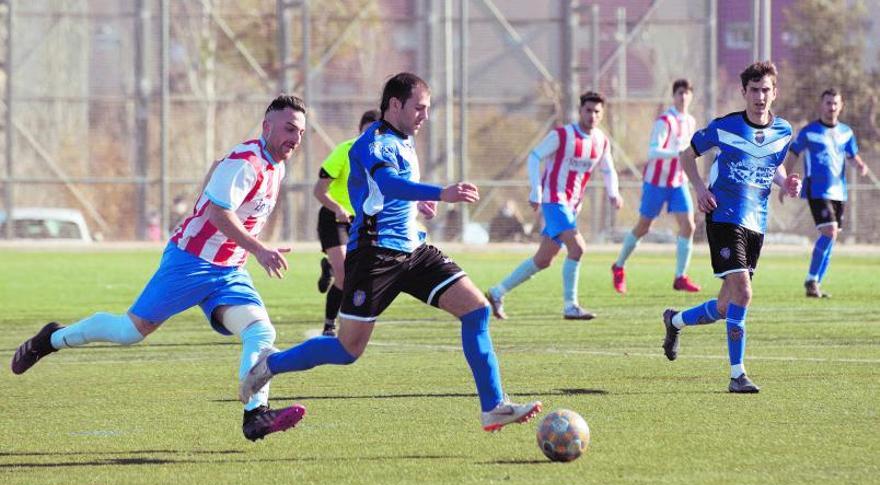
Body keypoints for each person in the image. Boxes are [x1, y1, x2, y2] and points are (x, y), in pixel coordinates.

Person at [239, 73, 542, 432]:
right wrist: (441, 192)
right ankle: (270, 365)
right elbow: (386, 183)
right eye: (419, 108)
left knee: (476, 310)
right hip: (375, 256)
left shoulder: (404, 139)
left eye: (427, 109)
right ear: (395, 104)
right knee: (347, 350)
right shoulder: (373, 143)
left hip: (415, 251)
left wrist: (418, 205)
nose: (424, 116)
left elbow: (382, 196)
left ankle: (493, 407)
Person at [11, 95, 309, 442]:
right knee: (128, 332)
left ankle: (255, 415)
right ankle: (52, 338)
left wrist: (240, 240)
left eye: (301, 132)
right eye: (289, 129)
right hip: (189, 263)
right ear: (267, 126)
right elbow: (217, 212)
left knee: (261, 332)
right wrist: (259, 249)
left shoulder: (277, 166)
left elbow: (216, 177)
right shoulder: (245, 161)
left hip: (228, 271)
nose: (295, 138)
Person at [661, 61, 801, 393]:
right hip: (724, 217)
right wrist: (699, 189)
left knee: (726, 306)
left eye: (766, 90)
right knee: (744, 293)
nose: (760, 97)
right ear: (744, 92)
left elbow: (771, 168)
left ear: (774, 92)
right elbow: (685, 155)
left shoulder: (783, 131)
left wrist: (787, 184)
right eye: (754, 90)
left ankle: (675, 320)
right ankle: (737, 375)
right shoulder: (725, 127)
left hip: (757, 223)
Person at [485, 91, 623, 321]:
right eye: (588, 110)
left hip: (571, 206)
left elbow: (608, 169)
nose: (592, 115)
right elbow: (535, 156)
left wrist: (613, 193)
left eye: (597, 112)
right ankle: (571, 306)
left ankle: (497, 292)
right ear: (580, 111)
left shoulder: (601, 141)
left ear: (602, 114)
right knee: (577, 248)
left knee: (543, 260)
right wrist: (536, 190)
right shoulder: (562, 135)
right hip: (553, 200)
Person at [611, 79, 701, 294]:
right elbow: (653, 152)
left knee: (688, 225)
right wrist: (677, 153)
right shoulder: (665, 121)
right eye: (680, 92)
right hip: (656, 182)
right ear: (674, 96)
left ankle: (680, 277)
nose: (684, 96)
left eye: (687, 92)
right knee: (643, 227)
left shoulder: (690, 121)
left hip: (678, 181)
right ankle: (619, 265)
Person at [779, 88, 869, 298]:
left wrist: (861, 166)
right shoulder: (809, 131)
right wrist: (785, 181)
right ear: (821, 105)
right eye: (828, 103)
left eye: (835, 103)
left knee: (832, 235)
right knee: (830, 231)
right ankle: (811, 279)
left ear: (841, 105)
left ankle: (815, 282)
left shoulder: (846, 132)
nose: (832, 107)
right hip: (817, 190)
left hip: (840, 192)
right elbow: (793, 154)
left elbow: (852, 155)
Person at [313, 109, 380, 336]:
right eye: (367, 131)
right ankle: (329, 326)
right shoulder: (344, 151)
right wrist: (338, 208)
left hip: (362, 222)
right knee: (344, 275)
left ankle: (331, 266)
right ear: (359, 130)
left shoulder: (384, 157)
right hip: (334, 218)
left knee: (361, 273)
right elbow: (319, 191)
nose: (371, 136)